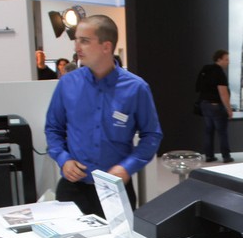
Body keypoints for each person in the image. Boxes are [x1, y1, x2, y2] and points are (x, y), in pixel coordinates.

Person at [45, 14, 162, 217]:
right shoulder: (67, 84)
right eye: (76, 40)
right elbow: (53, 128)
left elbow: (152, 135)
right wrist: (64, 159)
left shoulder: (136, 88)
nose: (77, 47)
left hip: (115, 189)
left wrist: (126, 167)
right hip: (73, 188)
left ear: (106, 46)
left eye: (84, 41)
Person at [196, 49, 233, 162]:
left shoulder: (205, 70)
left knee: (209, 131)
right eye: (226, 59)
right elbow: (223, 93)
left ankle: (209, 155)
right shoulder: (219, 73)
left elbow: (198, 87)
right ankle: (226, 156)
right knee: (222, 132)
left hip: (204, 104)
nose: (228, 62)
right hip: (216, 106)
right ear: (219, 59)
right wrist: (229, 109)